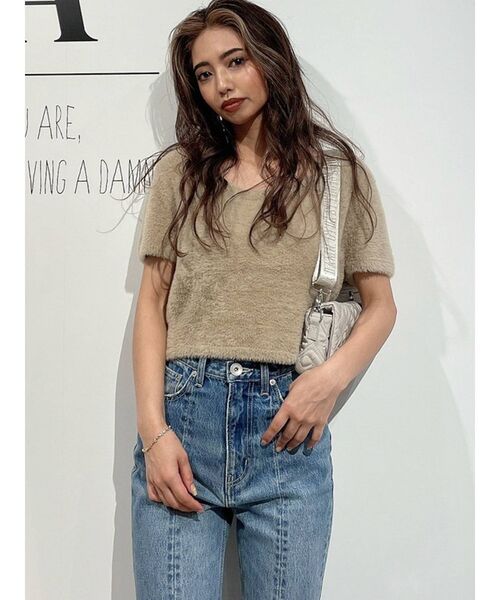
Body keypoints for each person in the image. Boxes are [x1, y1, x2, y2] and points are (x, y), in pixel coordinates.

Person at [130, 1, 397, 598]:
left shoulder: (336, 174)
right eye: (204, 73)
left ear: (270, 60)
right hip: (183, 432)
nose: (221, 85)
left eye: (235, 62)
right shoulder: (181, 173)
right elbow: (151, 303)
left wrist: (327, 383)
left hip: (286, 437)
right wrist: (154, 432)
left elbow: (381, 305)